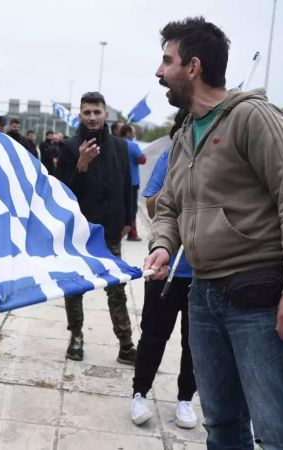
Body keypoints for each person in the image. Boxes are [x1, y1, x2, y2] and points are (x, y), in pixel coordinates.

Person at [144, 17, 283, 449]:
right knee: (221, 424)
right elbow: (169, 205)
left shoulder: (254, 117)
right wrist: (164, 245)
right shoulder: (185, 132)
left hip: (256, 295)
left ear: (194, 67)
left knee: (277, 430)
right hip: (203, 295)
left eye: (167, 60)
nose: (158, 71)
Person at [55, 91, 136, 365]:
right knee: (75, 287)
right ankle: (76, 337)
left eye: (97, 112)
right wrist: (81, 166)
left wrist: (128, 219)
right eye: (87, 112)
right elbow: (62, 193)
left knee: (116, 287)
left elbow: (128, 185)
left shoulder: (120, 146)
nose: (92, 117)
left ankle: (126, 345)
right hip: (79, 231)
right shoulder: (68, 146)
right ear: (80, 115)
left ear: (106, 114)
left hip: (110, 229)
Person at [129, 111, 198, 429]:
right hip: (165, 267)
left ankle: (185, 400)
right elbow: (152, 204)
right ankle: (139, 394)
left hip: (204, 273)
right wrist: (175, 188)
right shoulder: (172, 155)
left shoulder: (224, 156)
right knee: (154, 335)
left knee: (194, 342)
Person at [121, 124, 147, 241]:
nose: (134, 134)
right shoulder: (133, 145)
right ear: (128, 133)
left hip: (118, 181)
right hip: (132, 182)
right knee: (132, 209)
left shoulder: (115, 143)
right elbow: (142, 159)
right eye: (133, 132)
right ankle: (132, 233)